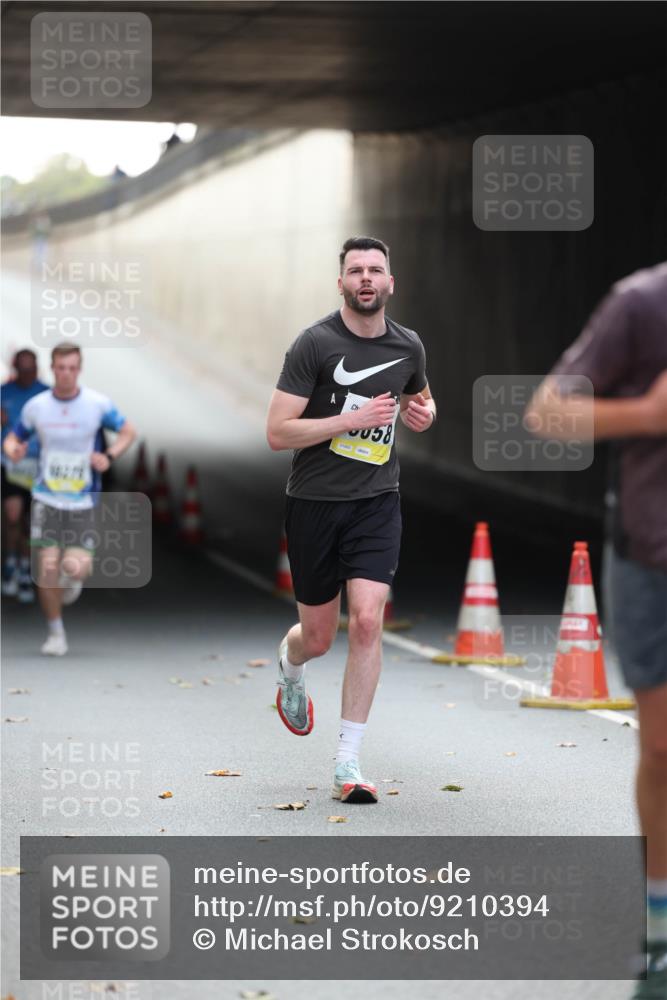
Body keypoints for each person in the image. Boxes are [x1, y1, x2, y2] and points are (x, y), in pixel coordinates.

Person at [526, 262, 667, 999]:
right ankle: (658, 931)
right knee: (661, 747)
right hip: (649, 557)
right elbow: (547, 412)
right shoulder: (641, 305)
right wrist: (645, 414)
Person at [266, 236, 436, 803]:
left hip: (376, 501)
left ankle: (348, 762)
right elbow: (277, 432)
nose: (366, 278)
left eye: (375, 270)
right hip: (314, 503)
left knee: (366, 621)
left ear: (390, 283)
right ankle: (291, 666)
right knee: (317, 637)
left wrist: (424, 414)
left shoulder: (408, 345)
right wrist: (350, 419)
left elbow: (422, 400)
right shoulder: (314, 344)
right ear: (340, 282)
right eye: (355, 270)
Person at [3, 342, 137, 656]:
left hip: (82, 501)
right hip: (46, 499)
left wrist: (109, 455)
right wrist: (13, 450)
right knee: (47, 568)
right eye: (60, 368)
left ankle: (71, 579)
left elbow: (129, 430)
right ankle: (55, 633)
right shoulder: (37, 406)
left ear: (79, 369)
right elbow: (13, 437)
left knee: (74, 568)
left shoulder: (97, 404)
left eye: (72, 368)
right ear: (52, 369)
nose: (65, 374)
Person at [1, 349, 49, 603]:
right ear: (14, 369)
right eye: (22, 370)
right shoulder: (4, 393)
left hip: (39, 466)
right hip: (10, 465)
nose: (26, 375)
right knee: (12, 515)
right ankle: (10, 562)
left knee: (31, 523)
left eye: (31, 370)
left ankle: (24, 566)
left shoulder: (46, 394)